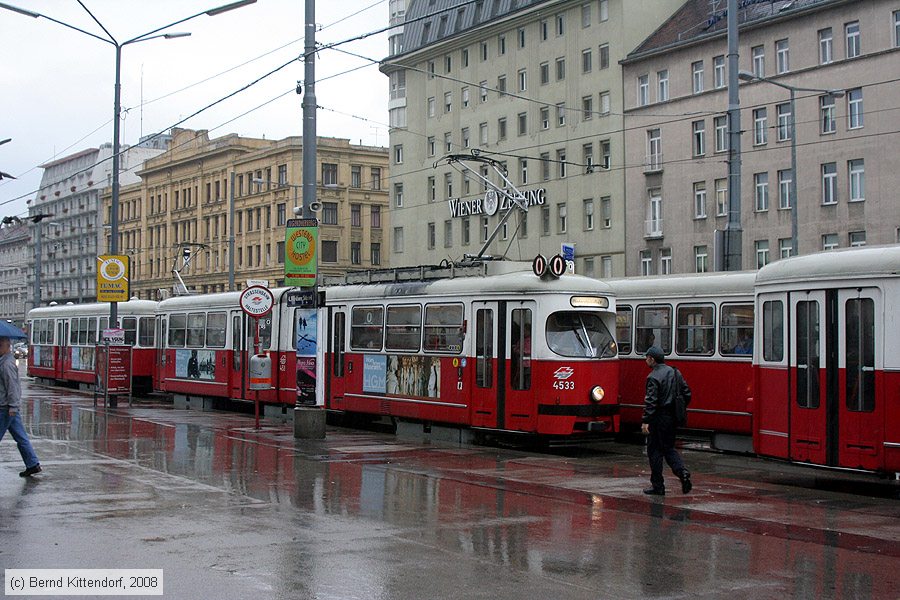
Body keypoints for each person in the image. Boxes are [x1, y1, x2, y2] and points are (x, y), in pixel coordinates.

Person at [640, 346, 691, 496]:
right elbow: (687, 393)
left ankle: (658, 486)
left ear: (652, 359)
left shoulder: (653, 377)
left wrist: (646, 421)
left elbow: (651, 402)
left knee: (654, 451)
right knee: (669, 448)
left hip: (658, 418)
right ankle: (682, 472)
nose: (645, 360)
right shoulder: (675, 372)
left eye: (647, 357)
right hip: (672, 418)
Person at [0, 336, 42, 477]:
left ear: (7, 346)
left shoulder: (6, 365)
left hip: (5, 407)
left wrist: (12, 406)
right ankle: (32, 464)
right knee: (21, 437)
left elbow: (12, 387)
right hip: (10, 407)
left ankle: (32, 463)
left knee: (20, 437)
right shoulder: (5, 362)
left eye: (0, 345)